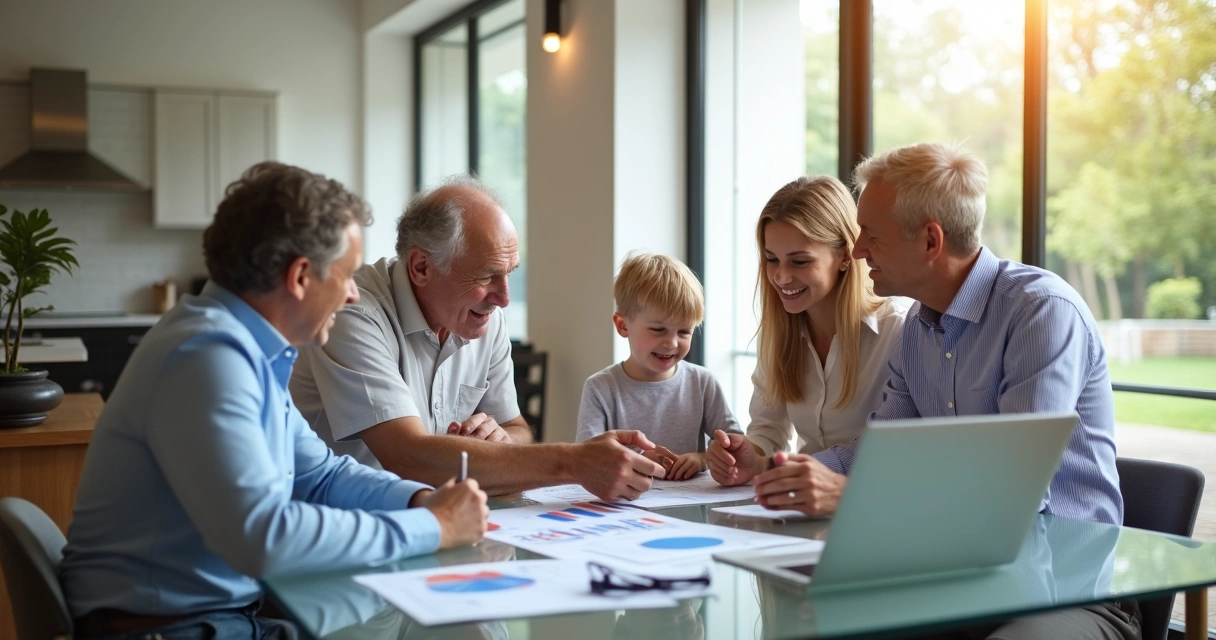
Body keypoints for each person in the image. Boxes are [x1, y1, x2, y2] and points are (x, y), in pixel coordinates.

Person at [710, 143, 1135, 639]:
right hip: (957, 584)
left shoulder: (1040, 312)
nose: (859, 249)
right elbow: (878, 451)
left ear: (930, 241)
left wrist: (848, 497)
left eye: (870, 235)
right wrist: (785, 474)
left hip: (1064, 593)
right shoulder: (918, 329)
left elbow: (1010, 497)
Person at [59, 162, 489, 640]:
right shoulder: (206, 358)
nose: (351, 295)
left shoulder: (237, 349)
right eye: (346, 275)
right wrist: (432, 527)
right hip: (171, 628)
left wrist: (420, 500)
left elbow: (319, 475)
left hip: (212, 618)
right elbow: (264, 538)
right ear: (301, 276)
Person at [290, 175, 666, 500]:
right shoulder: (352, 312)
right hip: (343, 522)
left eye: (510, 274)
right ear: (421, 267)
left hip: (434, 517)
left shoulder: (483, 314)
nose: (503, 298)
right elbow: (407, 457)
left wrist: (497, 440)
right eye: (487, 275)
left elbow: (518, 431)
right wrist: (574, 461)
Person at [705, 175, 905, 489]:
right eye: (772, 259)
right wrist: (748, 455)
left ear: (844, 255)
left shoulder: (898, 332)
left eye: (800, 261)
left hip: (874, 500)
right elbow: (768, 431)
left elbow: (899, 449)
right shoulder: (779, 335)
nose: (782, 277)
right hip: (801, 504)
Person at [575, 251, 742, 480]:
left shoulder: (702, 382)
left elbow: (733, 442)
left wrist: (702, 459)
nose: (672, 343)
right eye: (658, 330)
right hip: (624, 506)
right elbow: (588, 458)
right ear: (623, 326)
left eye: (684, 332)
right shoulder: (600, 388)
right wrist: (639, 461)